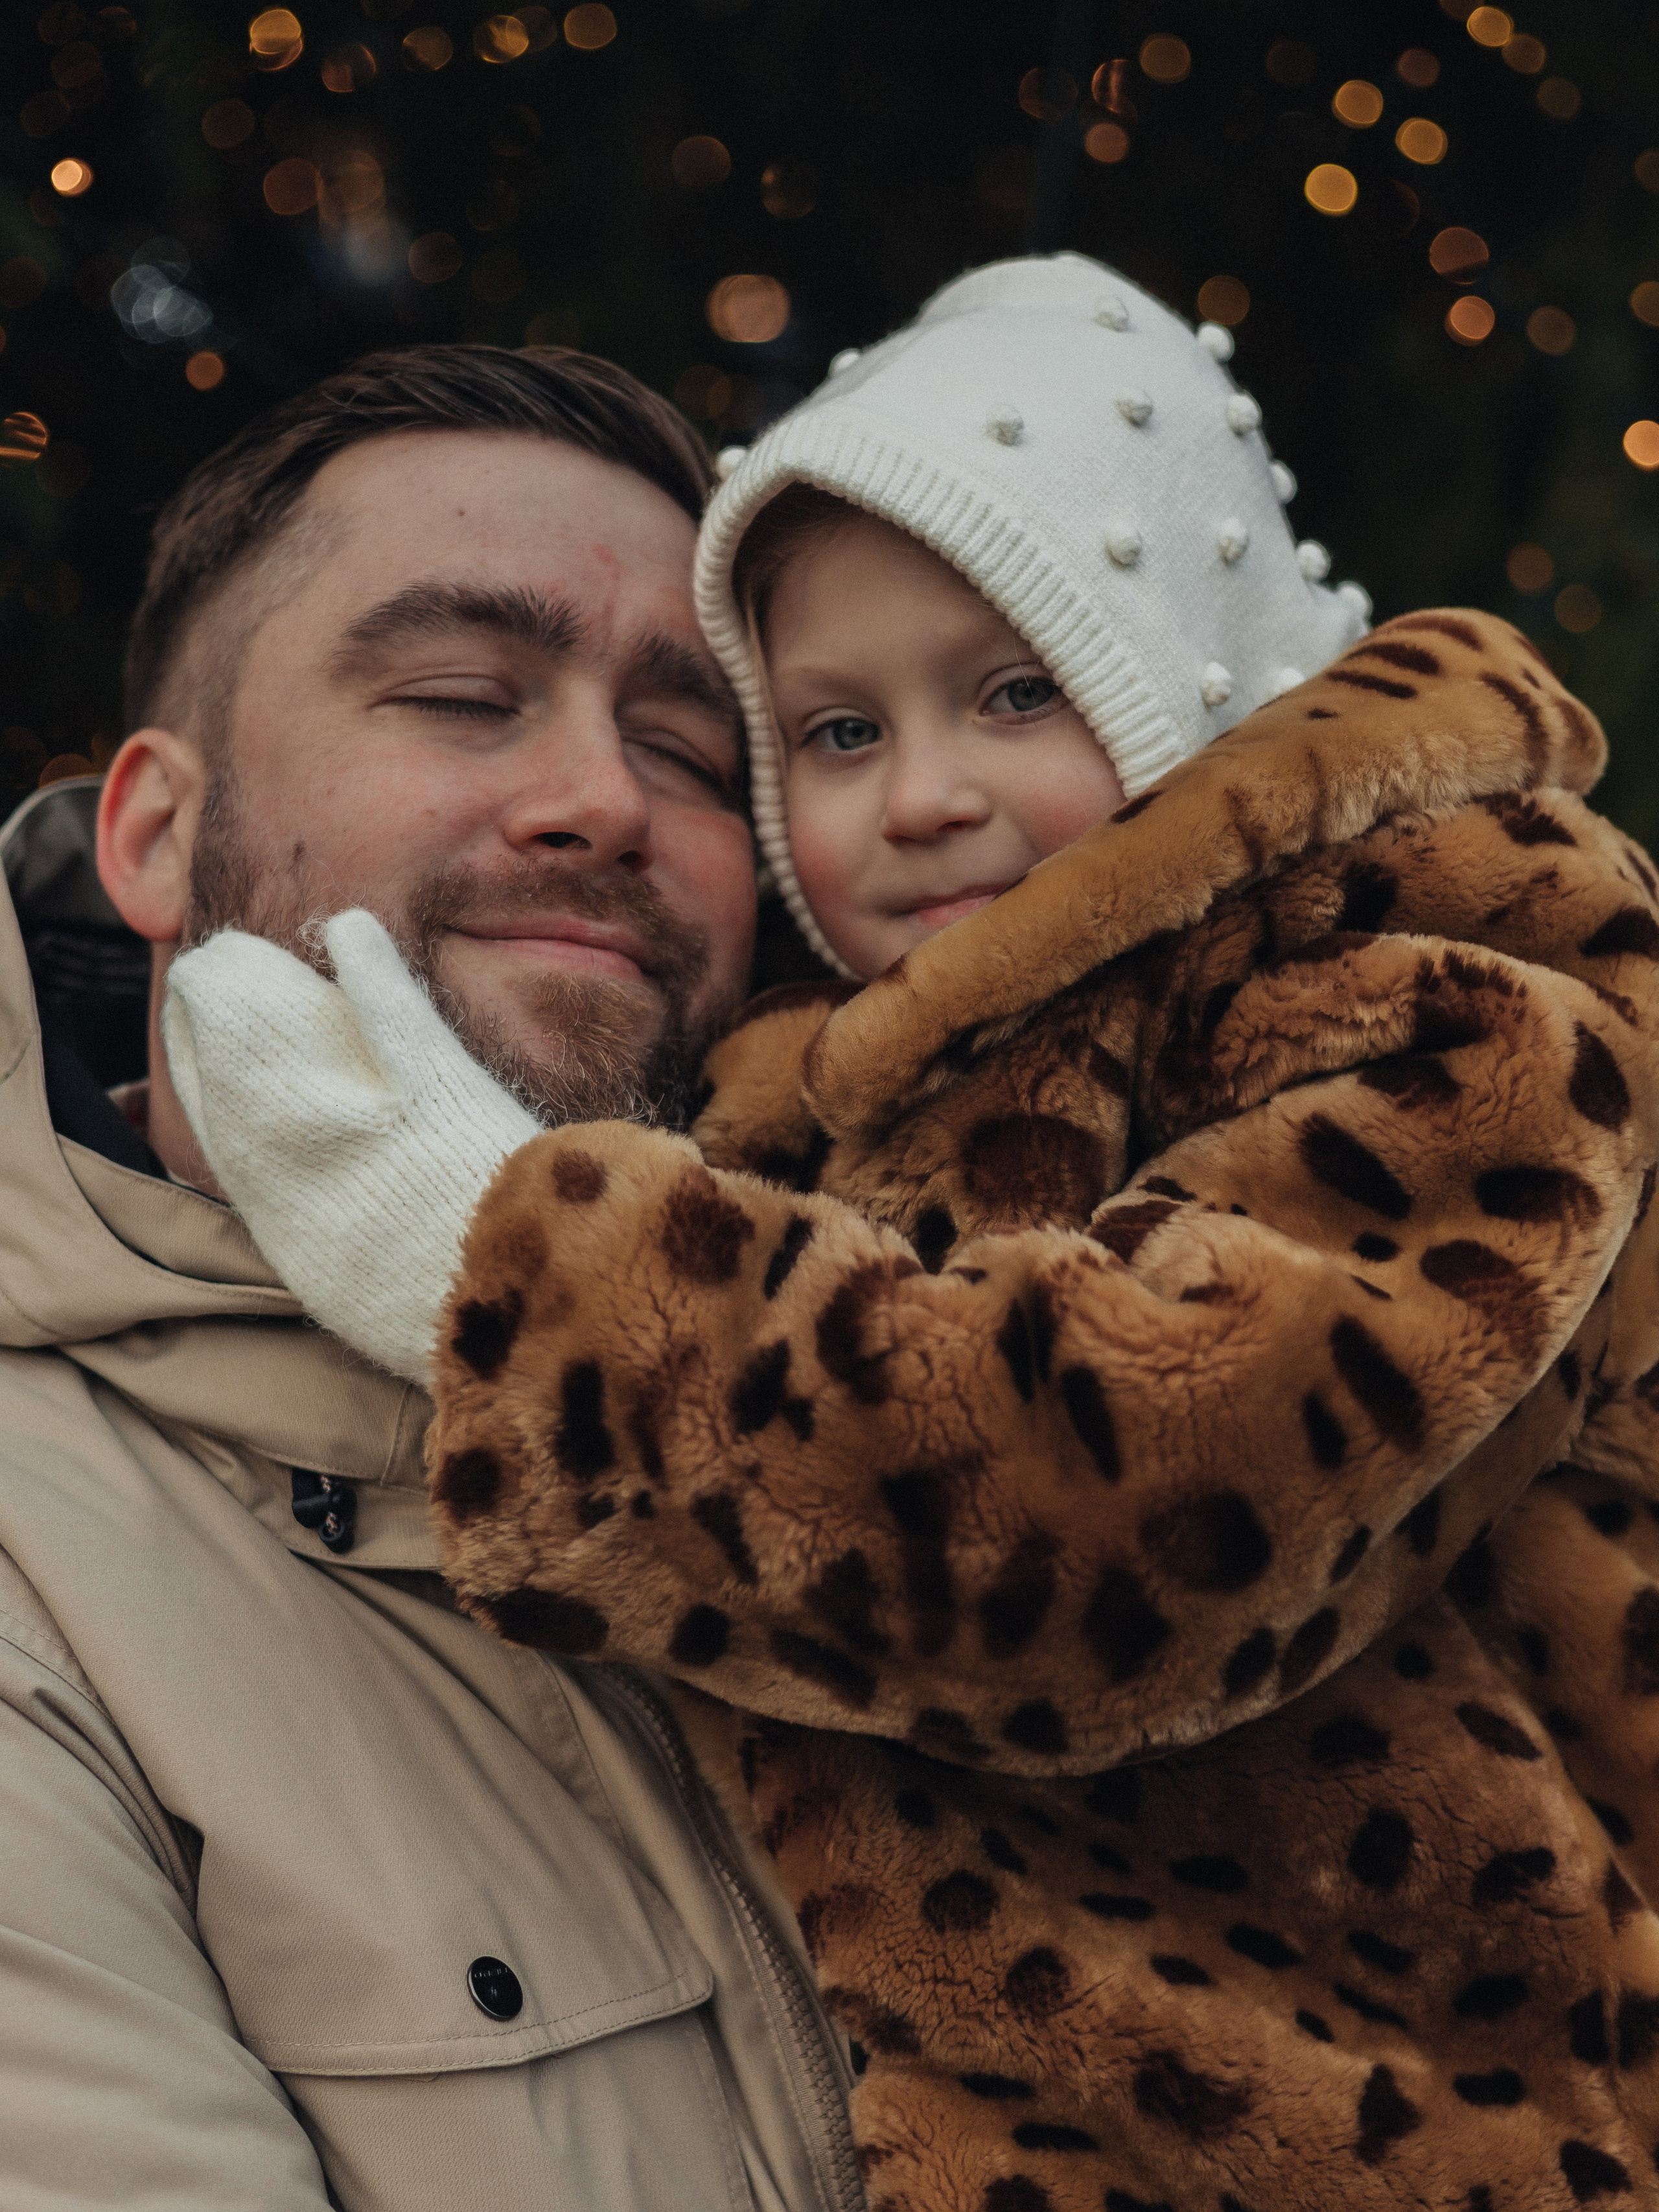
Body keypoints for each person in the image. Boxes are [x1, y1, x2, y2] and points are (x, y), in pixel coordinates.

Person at [170, 260, 1659, 2207]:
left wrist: (502, 1263)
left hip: (1407, 2122)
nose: (927, 799)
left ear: (1198, 672)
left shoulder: (1454, 992)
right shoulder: (832, 1088)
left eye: (1017, 691)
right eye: (834, 734)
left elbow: (1127, 1515)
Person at [0, 345, 866, 2212]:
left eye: (692, 750)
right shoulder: (33, 1576)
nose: (601, 801)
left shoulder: (922, 1394)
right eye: (466, 695)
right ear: (152, 832)